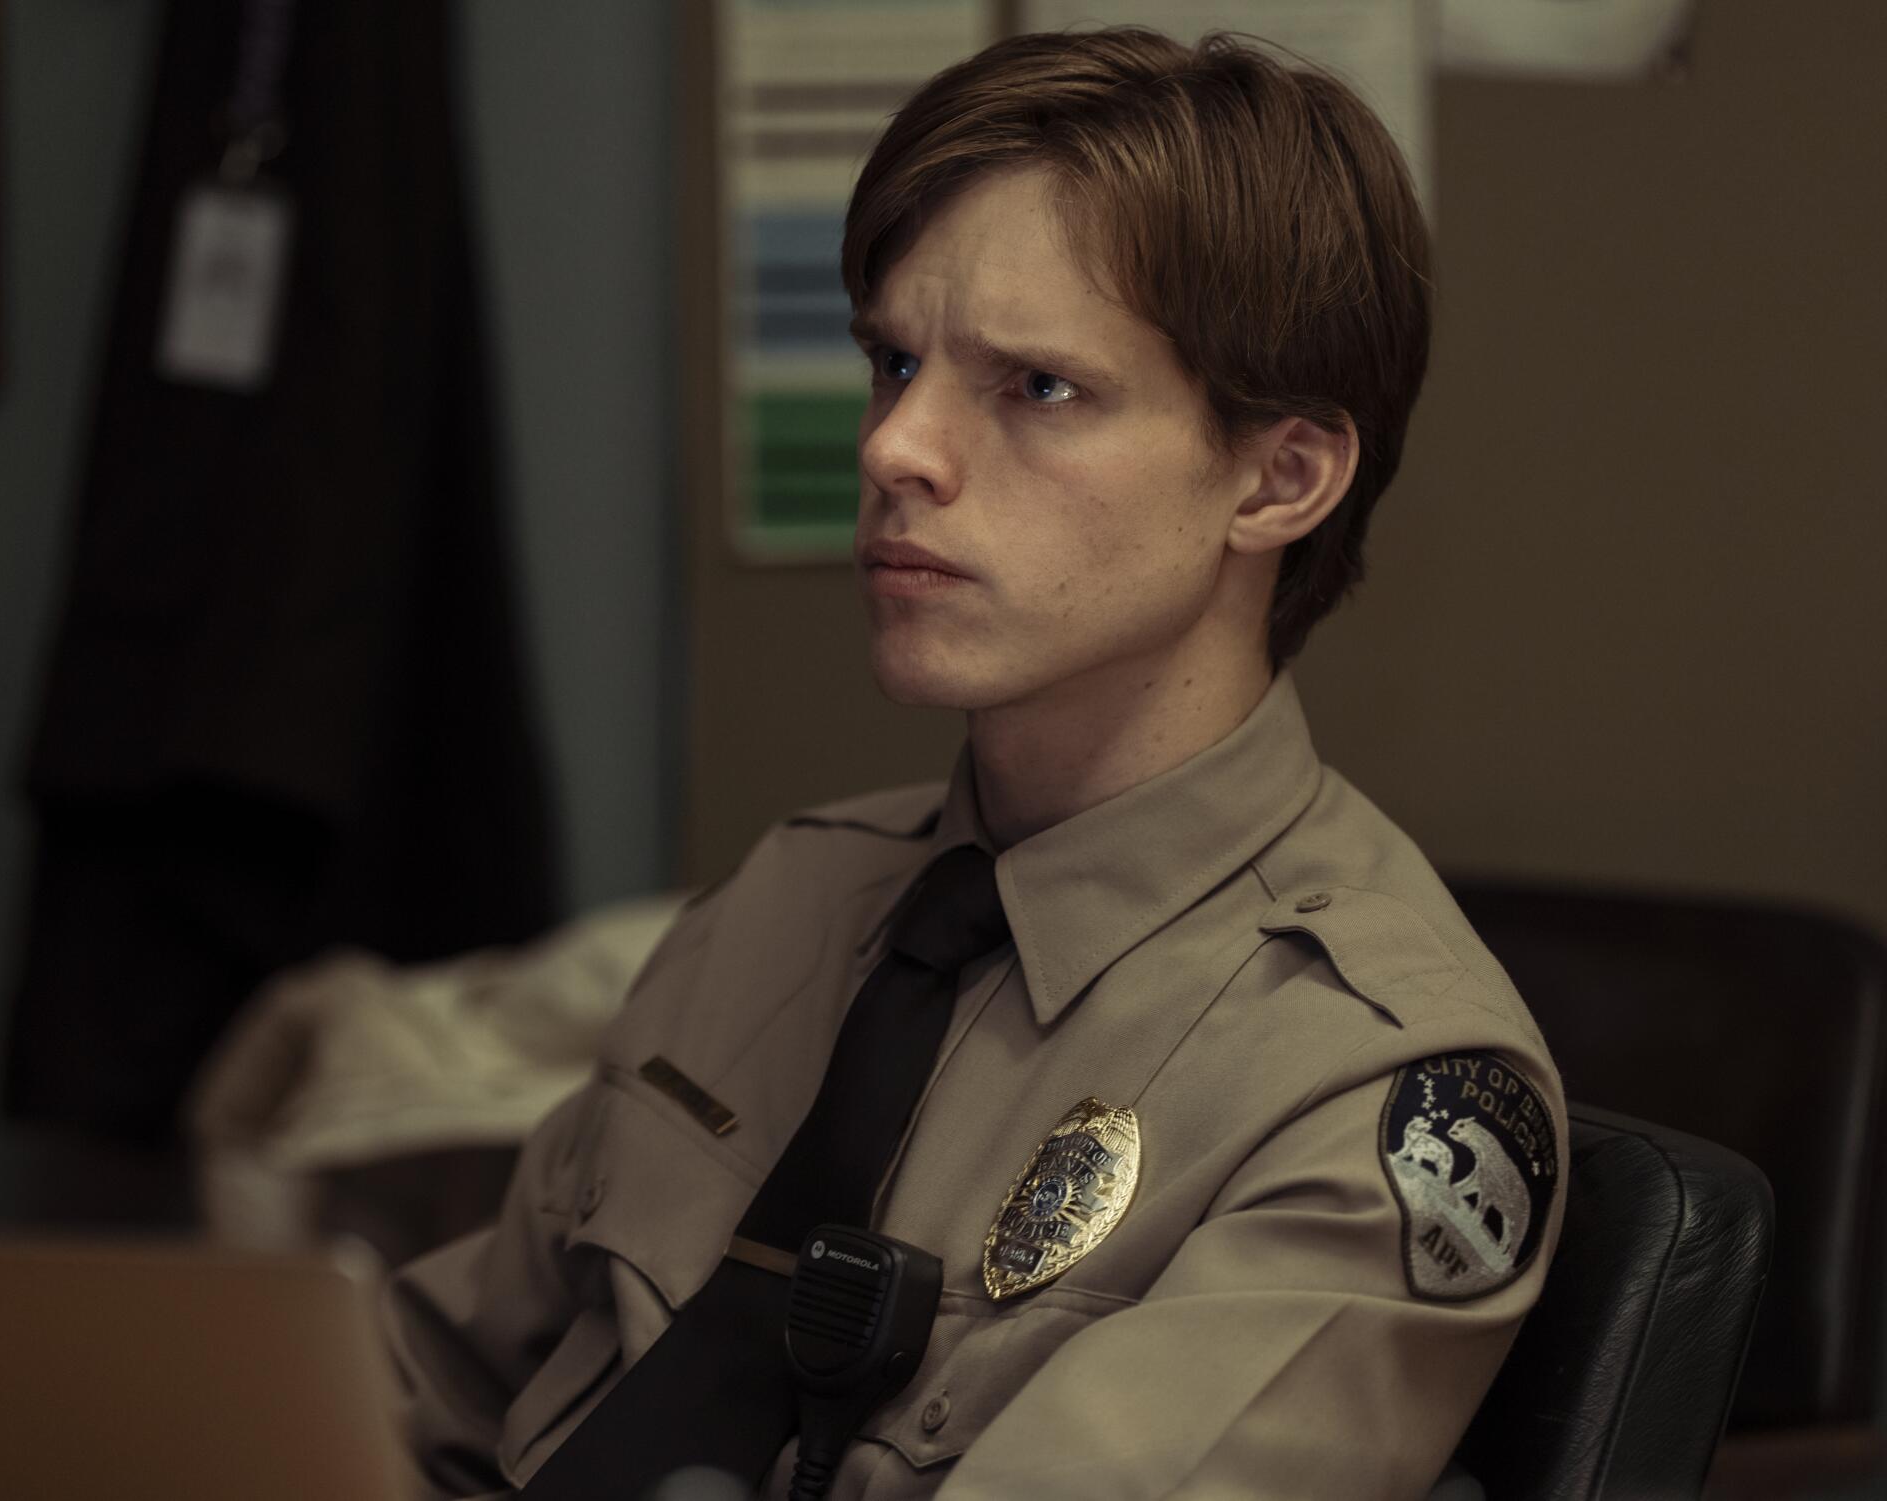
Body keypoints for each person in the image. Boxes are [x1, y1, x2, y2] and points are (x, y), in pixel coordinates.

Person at [384, 25, 1566, 1501]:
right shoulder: (800, 890)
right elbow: (421, 1385)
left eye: (1037, 387)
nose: (894, 447)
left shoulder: (1372, 1079)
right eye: (894, 360)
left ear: (1279, 477)